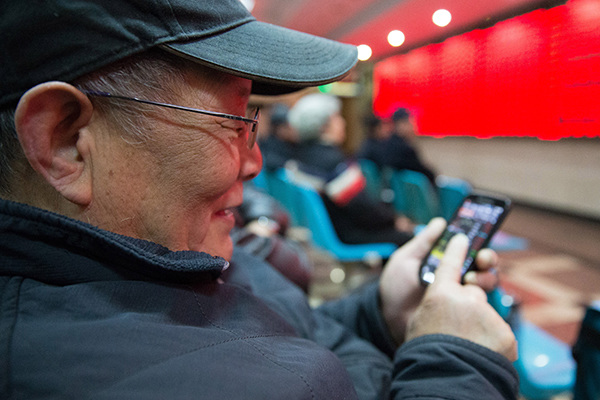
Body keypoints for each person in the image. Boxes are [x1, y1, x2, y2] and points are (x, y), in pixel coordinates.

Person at [0, 1, 518, 399]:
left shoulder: (172, 251)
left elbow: (299, 333)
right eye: (233, 120)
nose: (255, 162)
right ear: (66, 140)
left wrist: (383, 310)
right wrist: (459, 361)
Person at [287, 93, 414, 246]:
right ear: (323, 126)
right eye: (337, 118)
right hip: (345, 235)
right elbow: (362, 209)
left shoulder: (300, 157)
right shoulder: (332, 163)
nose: (343, 123)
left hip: (320, 234)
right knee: (408, 238)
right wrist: (394, 220)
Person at [357, 108, 437, 186]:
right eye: (410, 123)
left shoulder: (383, 144)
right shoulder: (404, 149)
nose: (413, 127)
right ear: (400, 125)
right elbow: (429, 175)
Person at [259, 103, 299, 171]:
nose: (293, 130)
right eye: (288, 126)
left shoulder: (291, 146)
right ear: (279, 129)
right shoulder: (269, 148)